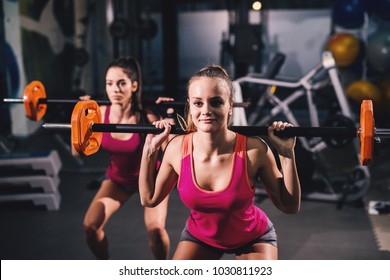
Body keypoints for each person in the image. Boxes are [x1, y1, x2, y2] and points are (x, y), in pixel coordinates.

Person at [138, 65, 301, 260]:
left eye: (216, 102)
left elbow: (289, 206)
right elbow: (149, 199)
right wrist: (149, 151)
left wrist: (286, 153)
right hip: (200, 237)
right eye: (198, 103)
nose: (206, 111)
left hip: (253, 238)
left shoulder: (254, 151)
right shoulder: (176, 149)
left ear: (230, 105)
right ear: (190, 105)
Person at [78, 56, 174, 260]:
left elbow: (171, 151)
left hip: (151, 181)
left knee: (156, 230)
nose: (115, 89)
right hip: (118, 180)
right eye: (109, 83)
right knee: (90, 227)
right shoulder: (98, 113)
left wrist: (169, 117)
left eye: (121, 83)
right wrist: (79, 117)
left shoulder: (148, 117)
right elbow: (78, 151)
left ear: (134, 86)